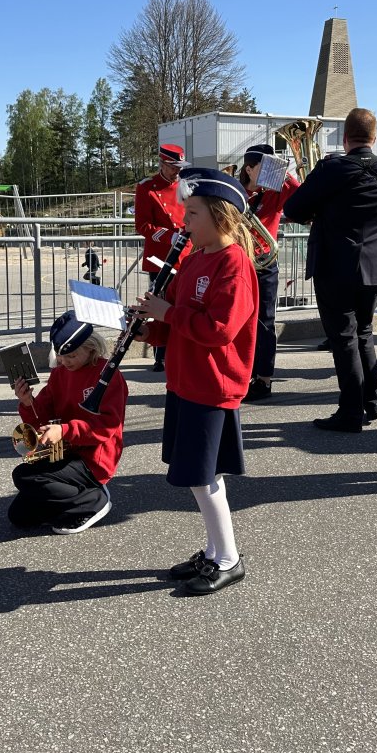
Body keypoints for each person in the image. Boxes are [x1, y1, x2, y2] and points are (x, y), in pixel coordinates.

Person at [135, 167, 259, 595]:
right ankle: (214, 550)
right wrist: (149, 329)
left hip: (212, 384)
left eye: (192, 213)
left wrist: (167, 313)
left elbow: (219, 329)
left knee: (202, 477)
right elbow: (175, 321)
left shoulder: (233, 264)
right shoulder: (194, 259)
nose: (183, 221)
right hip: (186, 380)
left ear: (220, 216)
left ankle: (228, 558)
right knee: (199, 475)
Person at [283, 108, 377, 433]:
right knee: (364, 331)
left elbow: (293, 208)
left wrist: (322, 212)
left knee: (343, 339)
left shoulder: (331, 168)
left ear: (344, 138)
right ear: (374, 137)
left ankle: (350, 412)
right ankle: (372, 401)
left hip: (336, 266)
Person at [10, 311, 125, 534]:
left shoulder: (107, 374)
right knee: (19, 516)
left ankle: (93, 500)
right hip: (66, 450)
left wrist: (64, 430)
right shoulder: (60, 373)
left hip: (94, 458)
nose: (64, 361)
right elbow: (43, 418)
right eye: (61, 356)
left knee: (23, 475)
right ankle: (73, 499)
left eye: (71, 355)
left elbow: (107, 426)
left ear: (90, 347)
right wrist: (27, 402)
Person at [239, 143, 300, 402]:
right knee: (238, 321)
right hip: (238, 264)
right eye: (266, 168)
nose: (270, 173)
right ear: (249, 169)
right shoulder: (235, 192)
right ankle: (241, 373)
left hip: (265, 265)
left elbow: (301, 199)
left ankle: (264, 378)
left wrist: (286, 175)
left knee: (265, 322)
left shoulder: (275, 191)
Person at [134, 143, 189, 372]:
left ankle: (181, 350)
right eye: (173, 166)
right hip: (161, 257)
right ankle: (161, 356)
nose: (177, 171)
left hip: (186, 254)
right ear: (162, 164)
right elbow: (142, 225)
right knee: (160, 305)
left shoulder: (186, 185)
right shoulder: (147, 188)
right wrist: (169, 236)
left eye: (179, 167)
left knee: (183, 305)